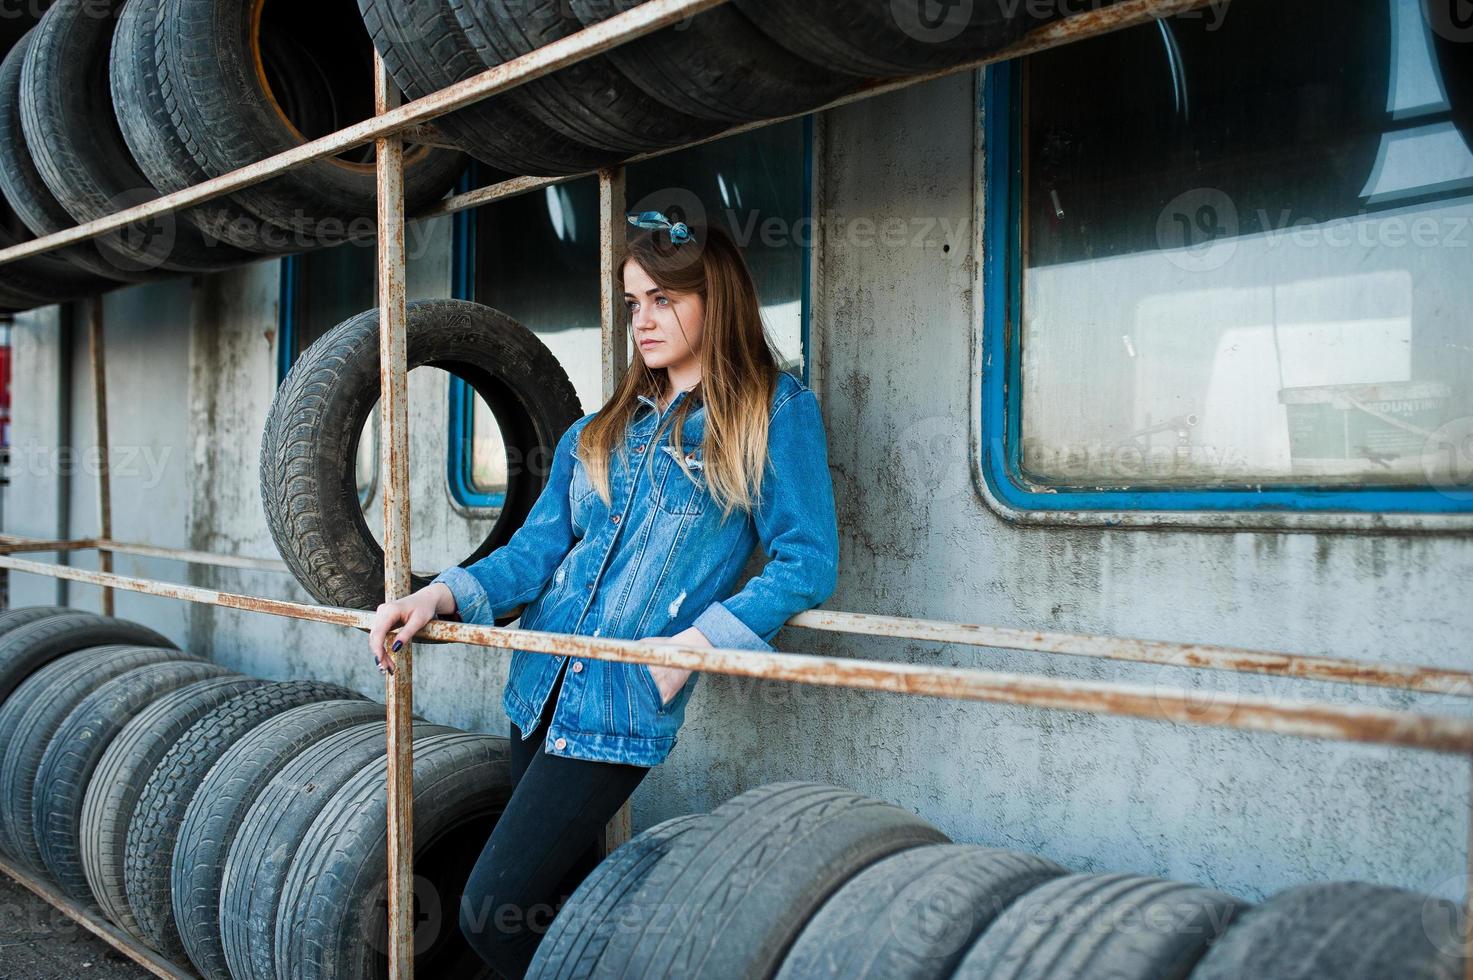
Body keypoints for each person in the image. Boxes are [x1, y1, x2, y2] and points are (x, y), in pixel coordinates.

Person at [365, 212, 840, 978]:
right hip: (536, 688)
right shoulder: (599, 428)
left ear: (714, 298)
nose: (642, 320)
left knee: (491, 907)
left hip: (620, 704)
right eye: (632, 303)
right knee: (560, 905)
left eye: (663, 299)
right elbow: (534, 553)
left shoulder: (772, 412)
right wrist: (439, 596)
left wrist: (697, 645)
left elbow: (805, 561)